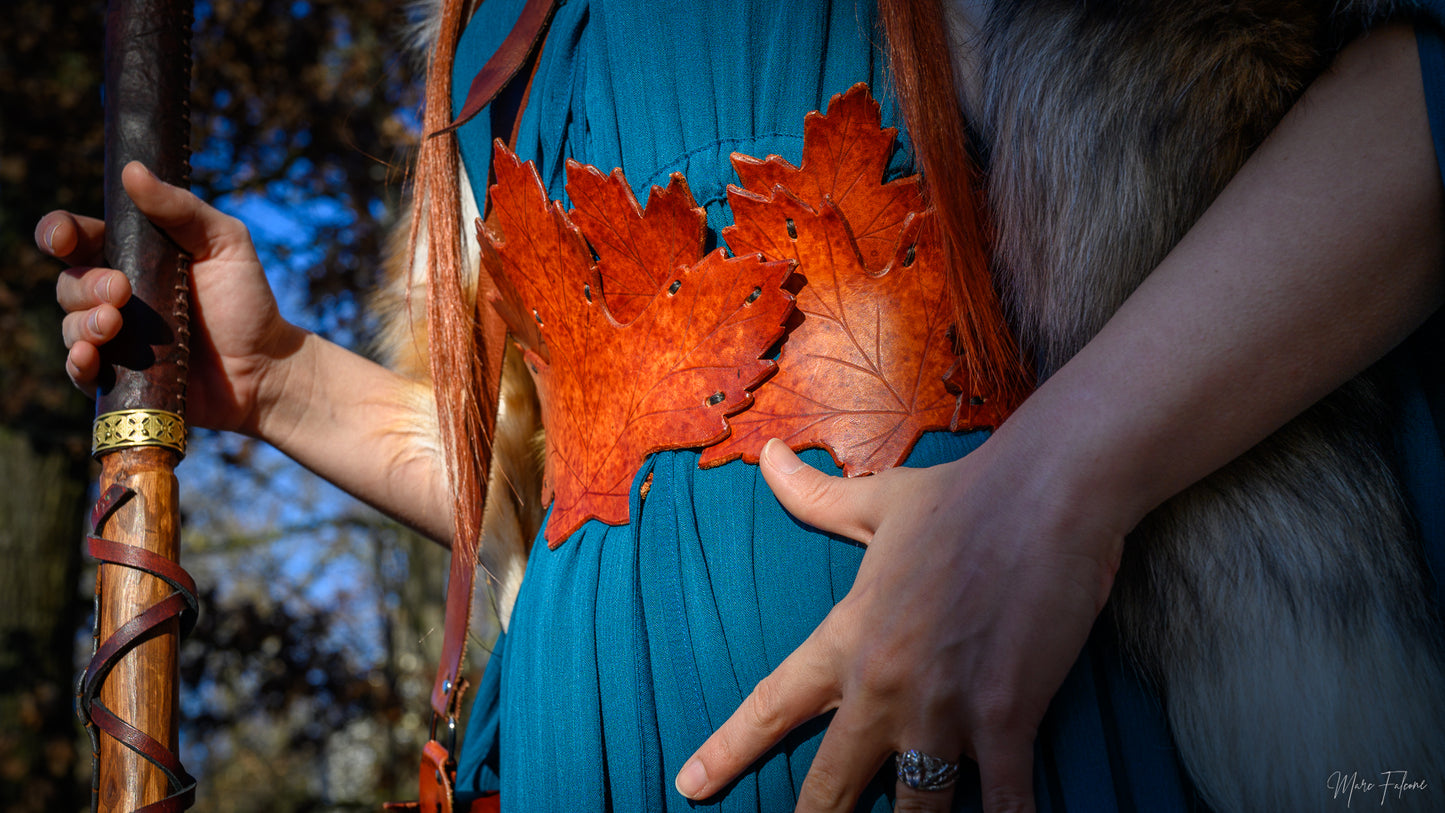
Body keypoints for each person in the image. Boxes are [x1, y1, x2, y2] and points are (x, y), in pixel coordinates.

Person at [41, 1, 1445, 810]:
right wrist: (283, 380)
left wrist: (1059, 478)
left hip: (998, 714)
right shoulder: (495, 24)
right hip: (567, 764)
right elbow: (598, 490)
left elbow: (1414, 91)